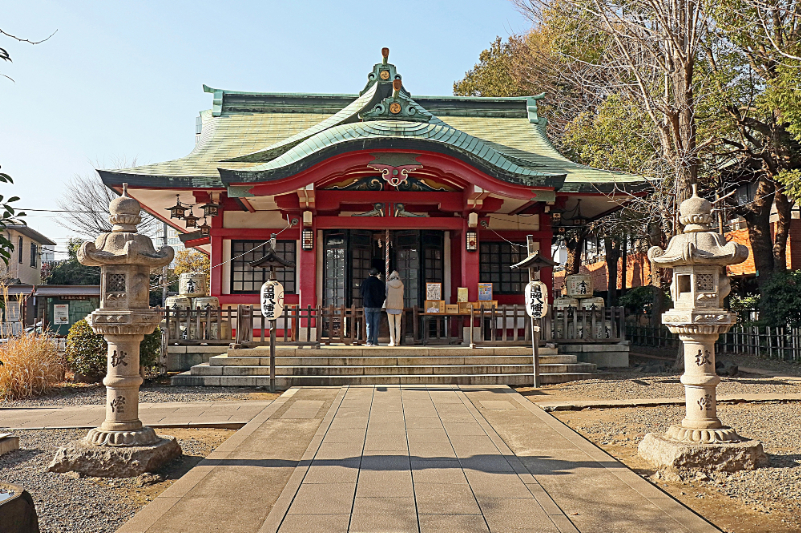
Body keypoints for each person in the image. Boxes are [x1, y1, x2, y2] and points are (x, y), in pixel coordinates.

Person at [360, 268, 385, 346]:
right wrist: (381, 302)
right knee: (376, 323)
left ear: (369, 274)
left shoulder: (365, 282)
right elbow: (383, 295)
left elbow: (361, 293)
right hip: (377, 305)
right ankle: (375, 341)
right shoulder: (380, 283)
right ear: (377, 274)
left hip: (368, 304)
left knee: (369, 324)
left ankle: (369, 341)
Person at [385, 271, 404, 346]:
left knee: (391, 325)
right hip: (399, 306)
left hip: (390, 306)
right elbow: (402, 294)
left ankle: (392, 341)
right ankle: (397, 341)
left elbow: (386, 294)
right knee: (398, 325)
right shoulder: (401, 284)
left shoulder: (388, 284)